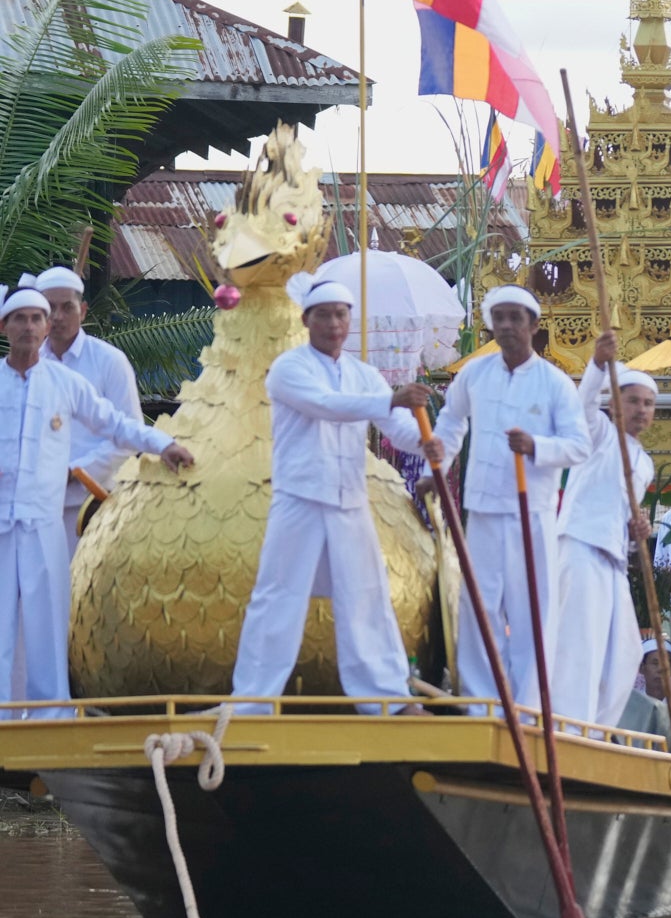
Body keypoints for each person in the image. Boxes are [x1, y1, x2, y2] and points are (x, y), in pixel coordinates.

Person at [228, 273, 433, 715]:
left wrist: (431, 440)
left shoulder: (364, 375)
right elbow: (326, 405)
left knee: (367, 595)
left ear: (350, 319)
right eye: (324, 316)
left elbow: (395, 429)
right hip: (300, 498)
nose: (334, 324)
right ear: (307, 320)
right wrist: (391, 400)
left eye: (341, 315)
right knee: (277, 596)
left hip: (349, 500)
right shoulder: (289, 369)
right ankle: (252, 702)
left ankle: (387, 701)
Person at [0, 281, 192, 716]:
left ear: (47, 325)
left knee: (47, 622)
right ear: (4, 326)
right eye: (20, 319)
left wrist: (163, 444)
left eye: (36, 319)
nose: (29, 327)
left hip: (45, 525)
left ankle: (50, 716)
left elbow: (117, 424)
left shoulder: (65, 383)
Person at [421, 287, 590, 709]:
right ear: (490, 324)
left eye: (516, 318)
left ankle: (530, 706)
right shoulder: (474, 375)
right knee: (480, 607)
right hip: (482, 508)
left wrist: (537, 446)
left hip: (530, 512)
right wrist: (435, 470)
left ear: (534, 325)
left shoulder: (555, 384)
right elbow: (450, 424)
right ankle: (482, 703)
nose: (507, 326)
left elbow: (578, 446)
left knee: (532, 609)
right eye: (499, 318)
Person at [552, 333, 656, 727]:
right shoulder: (597, 433)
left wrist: (636, 531)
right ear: (614, 403)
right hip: (580, 546)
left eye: (648, 404)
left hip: (611, 556)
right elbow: (581, 408)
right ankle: (568, 725)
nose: (641, 410)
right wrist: (597, 365)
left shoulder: (644, 463)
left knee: (626, 649)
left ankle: (595, 730)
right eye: (632, 400)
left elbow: (625, 520)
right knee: (580, 642)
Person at [32, 267, 144, 557]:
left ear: (82, 311)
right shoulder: (28, 366)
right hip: (33, 509)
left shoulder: (110, 362)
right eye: (49, 308)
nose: (57, 317)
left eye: (66, 307)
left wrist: (77, 471)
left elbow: (129, 434)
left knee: (82, 597)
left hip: (92, 507)